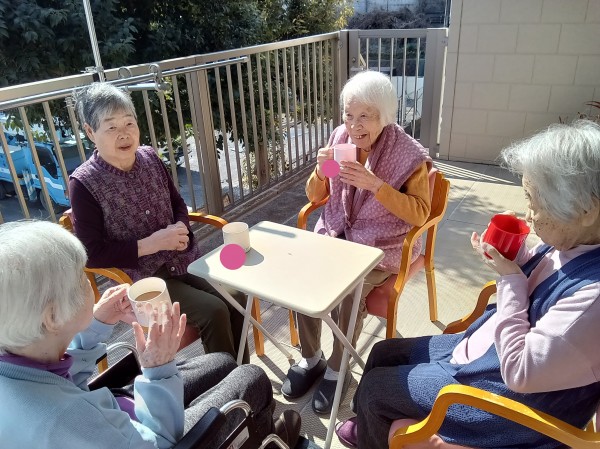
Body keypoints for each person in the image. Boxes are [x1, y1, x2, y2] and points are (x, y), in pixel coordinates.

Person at [334, 119, 600, 449]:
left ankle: (366, 418)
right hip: (485, 353)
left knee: (375, 388)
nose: (529, 214)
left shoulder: (593, 300)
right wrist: (512, 255)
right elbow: (544, 278)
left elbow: (519, 371)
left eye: (536, 202)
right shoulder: (576, 242)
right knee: (381, 352)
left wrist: (510, 279)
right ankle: (369, 423)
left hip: (507, 403)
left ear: (586, 210)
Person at [0, 220, 301, 449]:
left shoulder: (21, 364)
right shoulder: (64, 419)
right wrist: (157, 371)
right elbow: (158, 441)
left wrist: (97, 324)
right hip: (147, 434)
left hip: (114, 409)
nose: (88, 284)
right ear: (53, 317)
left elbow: (64, 381)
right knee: (251, 377)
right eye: (80, 279)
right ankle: (264, 437)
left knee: (222, 362)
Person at [281, 70, 432, 415]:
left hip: (381, 245)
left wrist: (376, 185)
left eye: (365, 116)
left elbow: (420, 213)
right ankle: (311, 358)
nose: (354, 125)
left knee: (349, 288)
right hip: (337, 234)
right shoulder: (340, 139)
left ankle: (338, 368)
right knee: (301, 274)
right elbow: (315, 196)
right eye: (349, 114)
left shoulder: (407, 154)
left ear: (385, 115)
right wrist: (320, 171)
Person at [69, 82, 249, 363]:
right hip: (145, 282)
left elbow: (177, 204)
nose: (124, 133)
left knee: (237, 297)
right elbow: (90, 253)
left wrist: (180, 227)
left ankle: (243, 374)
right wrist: (150, 244)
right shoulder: (84, 183)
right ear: (90, 132)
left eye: (129, 123)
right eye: (111, 127)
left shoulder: (150, 157)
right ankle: (223, 382)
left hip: (185, 260)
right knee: (213, 311)